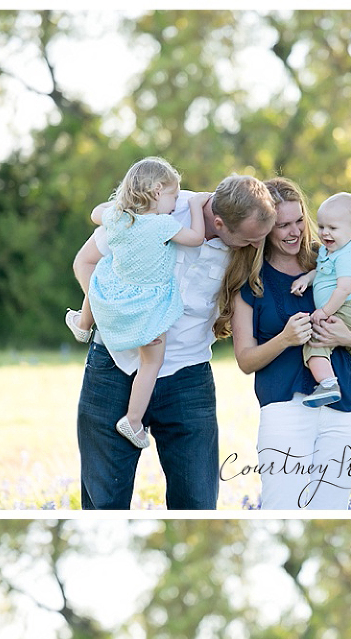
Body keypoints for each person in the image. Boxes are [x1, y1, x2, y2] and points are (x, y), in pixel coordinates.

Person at [74, 174, 276, 509]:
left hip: (187, 376)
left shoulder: (250, 239)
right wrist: (116, 318)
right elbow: (86, 261)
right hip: (115, 366)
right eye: (249, 240)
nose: (257, 246)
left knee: (197, 502)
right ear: (220, 223)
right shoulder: (158, 212)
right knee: (104, 504)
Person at [222, 177, 351, 510]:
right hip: (286, 409)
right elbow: (245, 360)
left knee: (331, 514)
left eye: (299, 220)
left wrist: (347, 337)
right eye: (282, 225)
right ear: (265, 228)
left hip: (349, 406)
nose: (294, 231)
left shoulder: (332, 259)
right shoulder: (251, 282)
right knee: (280, 509)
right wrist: (284, 339)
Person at [66, 157, 210, 449]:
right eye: (174, 195)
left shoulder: (120, 219)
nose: (176, 202)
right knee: (151, 364)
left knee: (101, 275)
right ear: (158, 191)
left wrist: (119, 207)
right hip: (149, 313)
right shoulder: (163, 224)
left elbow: (96, 213)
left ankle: (83, 324)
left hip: (116, 304)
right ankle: (132, 421)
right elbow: (196, 238)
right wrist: (196, 206)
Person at [290, 192, 351, 414]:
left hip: (346, 308)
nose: (325, 232)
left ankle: (327, 384)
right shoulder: (333, 251)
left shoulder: (347, 256)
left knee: (316, 341)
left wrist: (324, 312)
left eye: (333, 228)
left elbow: (344, 289)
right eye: (322, 226)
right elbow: (323, 272)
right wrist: (307, 279)